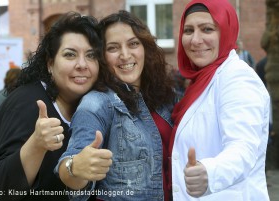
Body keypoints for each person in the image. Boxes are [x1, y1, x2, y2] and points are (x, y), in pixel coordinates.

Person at [0, 12, 102, 201]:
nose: (82, 64)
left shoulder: (90, 105)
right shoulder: (27, 103)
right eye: (70, 54)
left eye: (91, 55)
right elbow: (1, 190)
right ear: (50, 63)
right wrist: (36, 144)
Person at [55, 10, 176, 201]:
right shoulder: (97, 102)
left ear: (145, 48)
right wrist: (75, 167)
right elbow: (73, 163)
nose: (125, 55)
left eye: (133, 44)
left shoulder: (166, 97)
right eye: (113, 48)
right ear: (102, 57)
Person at [170, 0, 270, 200]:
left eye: (207, 29)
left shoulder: (238, 78)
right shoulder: (203, 79)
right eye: (188, 30)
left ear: (226, 31)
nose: (195, 40)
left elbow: (243, 148)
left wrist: (210, 172)